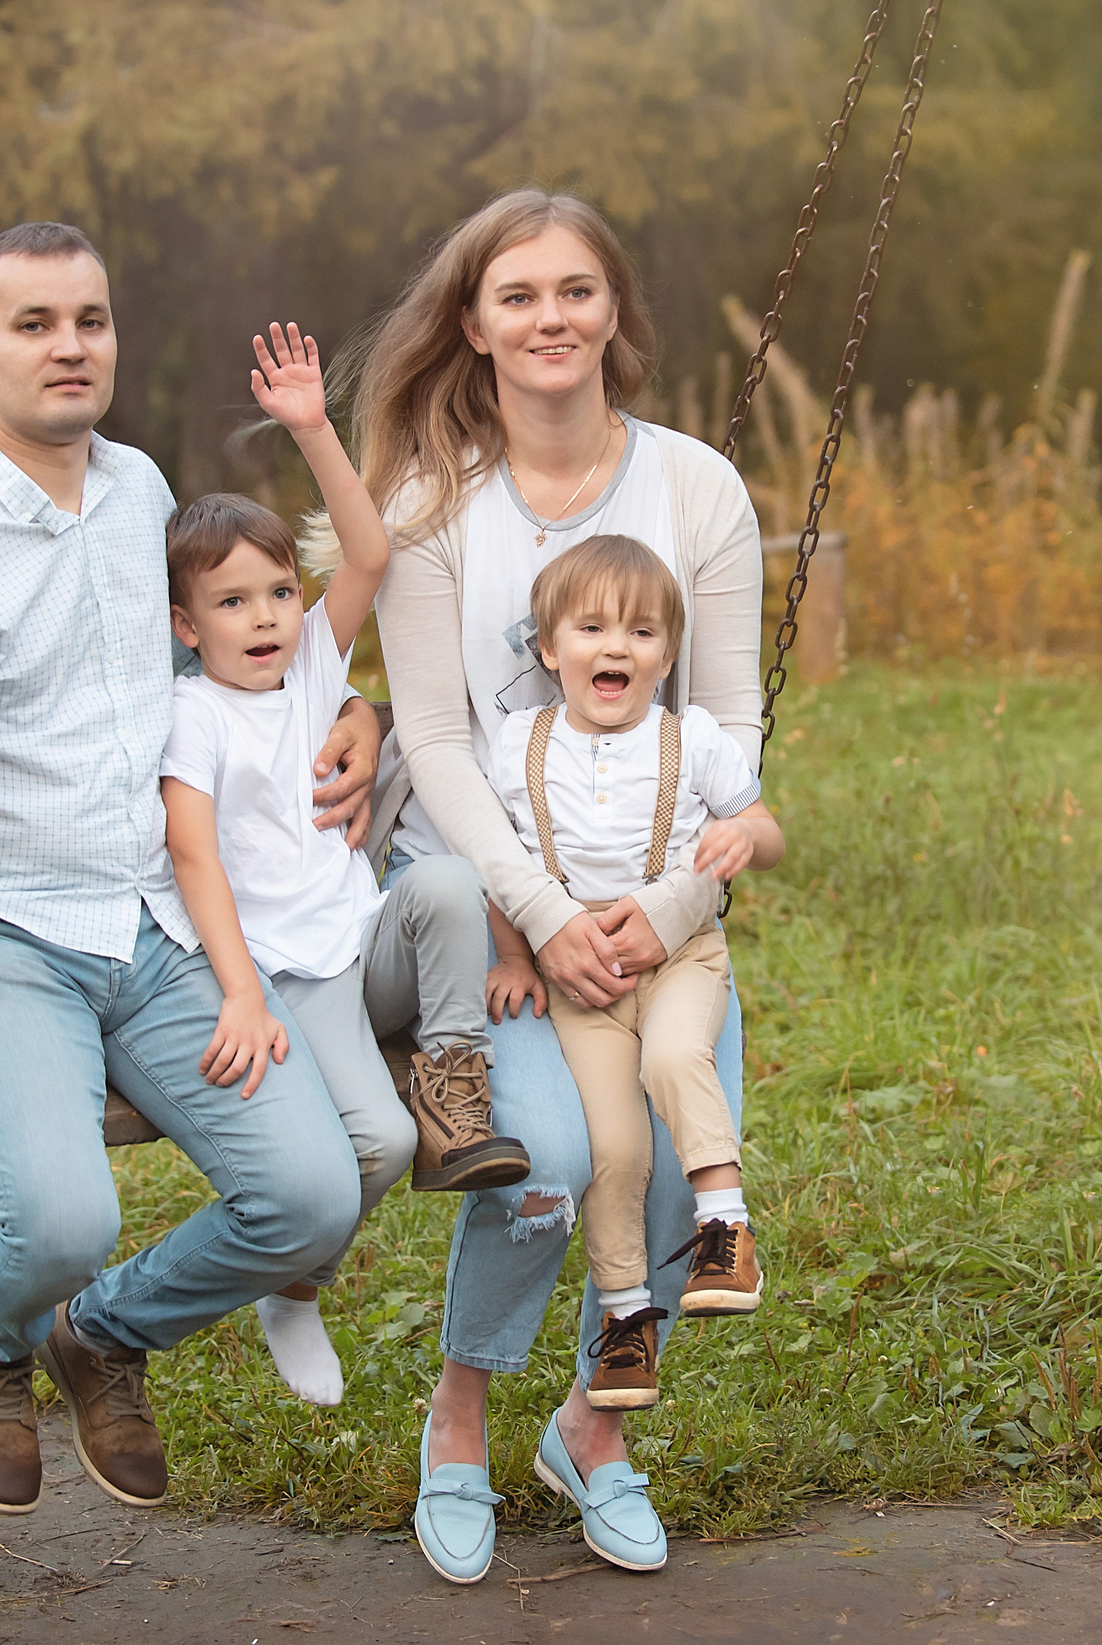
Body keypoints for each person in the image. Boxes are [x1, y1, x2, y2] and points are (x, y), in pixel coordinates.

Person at [0, 222, 383, 1519]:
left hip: (150, 922)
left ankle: (105, 1336)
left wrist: (352, 713)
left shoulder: (135, 494)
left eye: (91, 319)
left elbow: (207, 671)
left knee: (311, 1200)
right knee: (61, 1220)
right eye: (33, 324)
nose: (70, 345)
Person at [330, 188, 763, 1581]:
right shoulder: (431, 506)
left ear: (615, 312)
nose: (551, 317)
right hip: (480, 884)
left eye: (576, 289)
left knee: (694, 1185)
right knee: (549, 1168)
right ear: (474, 323)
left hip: (651, 886)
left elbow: (731, 728)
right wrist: (544, 911)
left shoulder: (694, 487)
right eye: (518, 295)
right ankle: (459, 1419)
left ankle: (592, 1428)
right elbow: (439, 739)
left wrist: (673, 907)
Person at [148, 323, 530, 1407]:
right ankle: (296, 1283)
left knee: (448, 885)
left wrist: (312, 429)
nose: (263, 617)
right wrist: (237, 990)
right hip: (291, 971)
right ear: (186, 625)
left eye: (274, 592)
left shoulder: (316, 663)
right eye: (230, 602)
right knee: (372, 1139)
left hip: (363, 940)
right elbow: (189, 852)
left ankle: (457, 1081)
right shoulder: (195, 716)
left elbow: (367, 553)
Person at [487, 536, 783, 1410]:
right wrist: (513, 953)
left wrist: (742, 838)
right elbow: (503, 862)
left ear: (667, 654)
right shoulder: (518, 745)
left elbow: (766, 830)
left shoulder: (691, 741)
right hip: (583, 986)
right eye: (591, 627)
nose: (616, 647)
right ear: (549, 648)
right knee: (612, 1147)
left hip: (682, 959)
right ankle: (625, 1319)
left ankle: (726, 1227)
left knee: (672, 1059)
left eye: (642, 632)